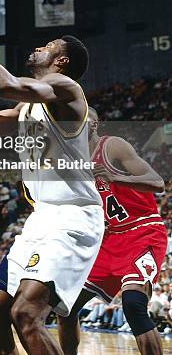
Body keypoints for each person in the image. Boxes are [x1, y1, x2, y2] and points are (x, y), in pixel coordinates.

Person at [0, 7, 103, 355]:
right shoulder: (29, 108)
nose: (38, 48)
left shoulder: (66, 89)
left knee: (26, 314)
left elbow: (6, 85)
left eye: (48, 45)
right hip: (41, 218)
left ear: (62, 61)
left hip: (73, 217)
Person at [57, 108, 166, 355]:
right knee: (66, 307)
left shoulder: (113, 146)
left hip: (142, 231)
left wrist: (116, 177)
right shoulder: (72, 164)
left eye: (88, 120)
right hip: (108, 240)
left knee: (133, 304)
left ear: (97, 124)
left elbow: (157, 182)